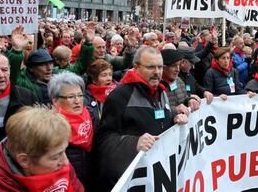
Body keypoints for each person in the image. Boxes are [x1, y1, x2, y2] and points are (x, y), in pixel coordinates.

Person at [94, 46, 188, 190]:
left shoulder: (161, 91)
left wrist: (174, 119)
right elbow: (103, 140)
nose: (157, 72)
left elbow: (157, 120)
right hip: (132, 179)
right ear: (136, 67)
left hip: (156, 175)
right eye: (151, 67)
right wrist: (134, 143)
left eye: (160, 67)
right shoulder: (120, 96)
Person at [0, 106, 84, 191]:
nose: (66, 162)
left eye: (64, 151)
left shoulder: (56, 159)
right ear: (24, 160)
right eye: (56, 157)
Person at [49, 72, 99, 190]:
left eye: (80, 95)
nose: (77, 101)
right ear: (55, 100)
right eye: (71, 97)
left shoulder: (92, 116)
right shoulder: (50, 126)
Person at [160, 49, 200, 114]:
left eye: (178, 65)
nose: (178, 69)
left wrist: (189, 100)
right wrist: (174, 110)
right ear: (163, 67)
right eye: (174, 66)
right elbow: (155, 114)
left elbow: (185, 97)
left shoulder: (179, 81)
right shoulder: (155, 87)